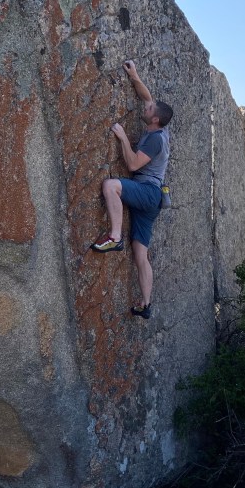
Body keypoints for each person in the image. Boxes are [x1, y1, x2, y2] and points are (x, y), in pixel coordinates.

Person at [92, 59, 173, 320]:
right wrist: (134, 75)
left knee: (111, 186)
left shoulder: (155, 141)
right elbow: (147, 95)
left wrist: (123, 136)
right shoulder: (158, 126)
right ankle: (146, 304)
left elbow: (132, 164)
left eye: (149, 108)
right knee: (141, 254)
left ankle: (114, 238)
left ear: (155, 118)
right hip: (152, 200)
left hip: (148, 192)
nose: (146, 105)